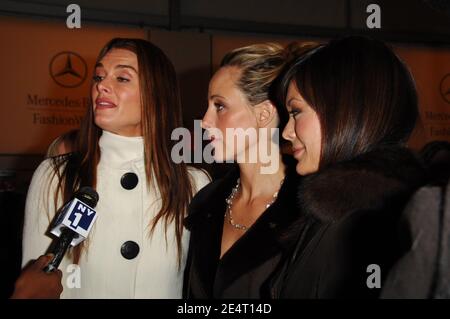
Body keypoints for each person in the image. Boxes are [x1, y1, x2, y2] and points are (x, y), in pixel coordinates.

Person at [22, 38, 210, 298]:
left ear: (157, 94)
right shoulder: (56, 176)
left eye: (122, 78)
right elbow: (35, 284)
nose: (102, 86)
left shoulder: (194, 184)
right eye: (99, 77)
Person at [270, 36, 428, 298]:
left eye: (296, 112)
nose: (286, 132)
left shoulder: (370, 230)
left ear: (343, 111)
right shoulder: (338, 210)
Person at [183, 42, 318, 298]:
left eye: (219, 106)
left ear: (264, 114)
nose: (205, 121)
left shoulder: (309, 208)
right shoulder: (205, 202)